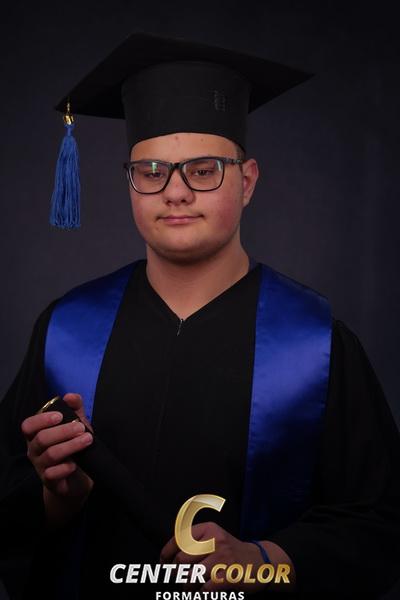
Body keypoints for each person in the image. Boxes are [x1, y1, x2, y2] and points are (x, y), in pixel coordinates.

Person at [1, 32, 400, 600]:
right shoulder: (66, 331)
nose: (176, 192)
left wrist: (264, 561)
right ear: (131, 183)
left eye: (204, 169)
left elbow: (380, 522)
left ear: (248, 180)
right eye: (151, 171)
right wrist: (55, 497)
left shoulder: (315, 345)